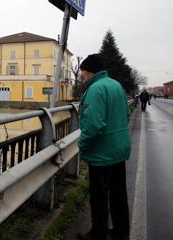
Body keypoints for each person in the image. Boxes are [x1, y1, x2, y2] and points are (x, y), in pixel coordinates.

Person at [77, 54, 131, 240]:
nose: (82, 75)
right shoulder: (116, 86)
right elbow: (126, 115)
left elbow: (93, 127)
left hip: (102, 154)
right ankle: (120, 232)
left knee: (99, 197)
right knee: (118, 196)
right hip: (118, 151)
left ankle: (97, 234)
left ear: (89, 70)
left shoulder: (95, 89)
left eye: (82, 70)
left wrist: (82, 146)